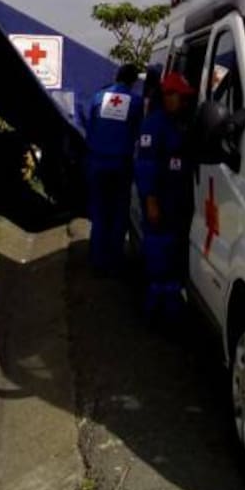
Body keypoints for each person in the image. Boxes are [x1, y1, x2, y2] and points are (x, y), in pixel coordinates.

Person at [134, 71, 196, 321]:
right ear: (167, 96)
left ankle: (172, 304)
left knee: (174, 251)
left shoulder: (179, 122)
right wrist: (151, 202)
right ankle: (157, 311)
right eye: (178, 96)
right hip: (159, 201)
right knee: (159, 253)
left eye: (184, 98)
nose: (182, 102)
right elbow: (146, 166)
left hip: (177, 199)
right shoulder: (153, 124)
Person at [84, 64, 143, 274]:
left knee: (100, 211)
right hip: (121, 165)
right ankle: (114, 261)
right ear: (134, 81)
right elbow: (139, 133)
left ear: (117, 76)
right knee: (119, 213)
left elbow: (88, 126)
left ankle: (97, 261)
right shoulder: (136, 103)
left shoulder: (98, 97)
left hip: (98, 163)